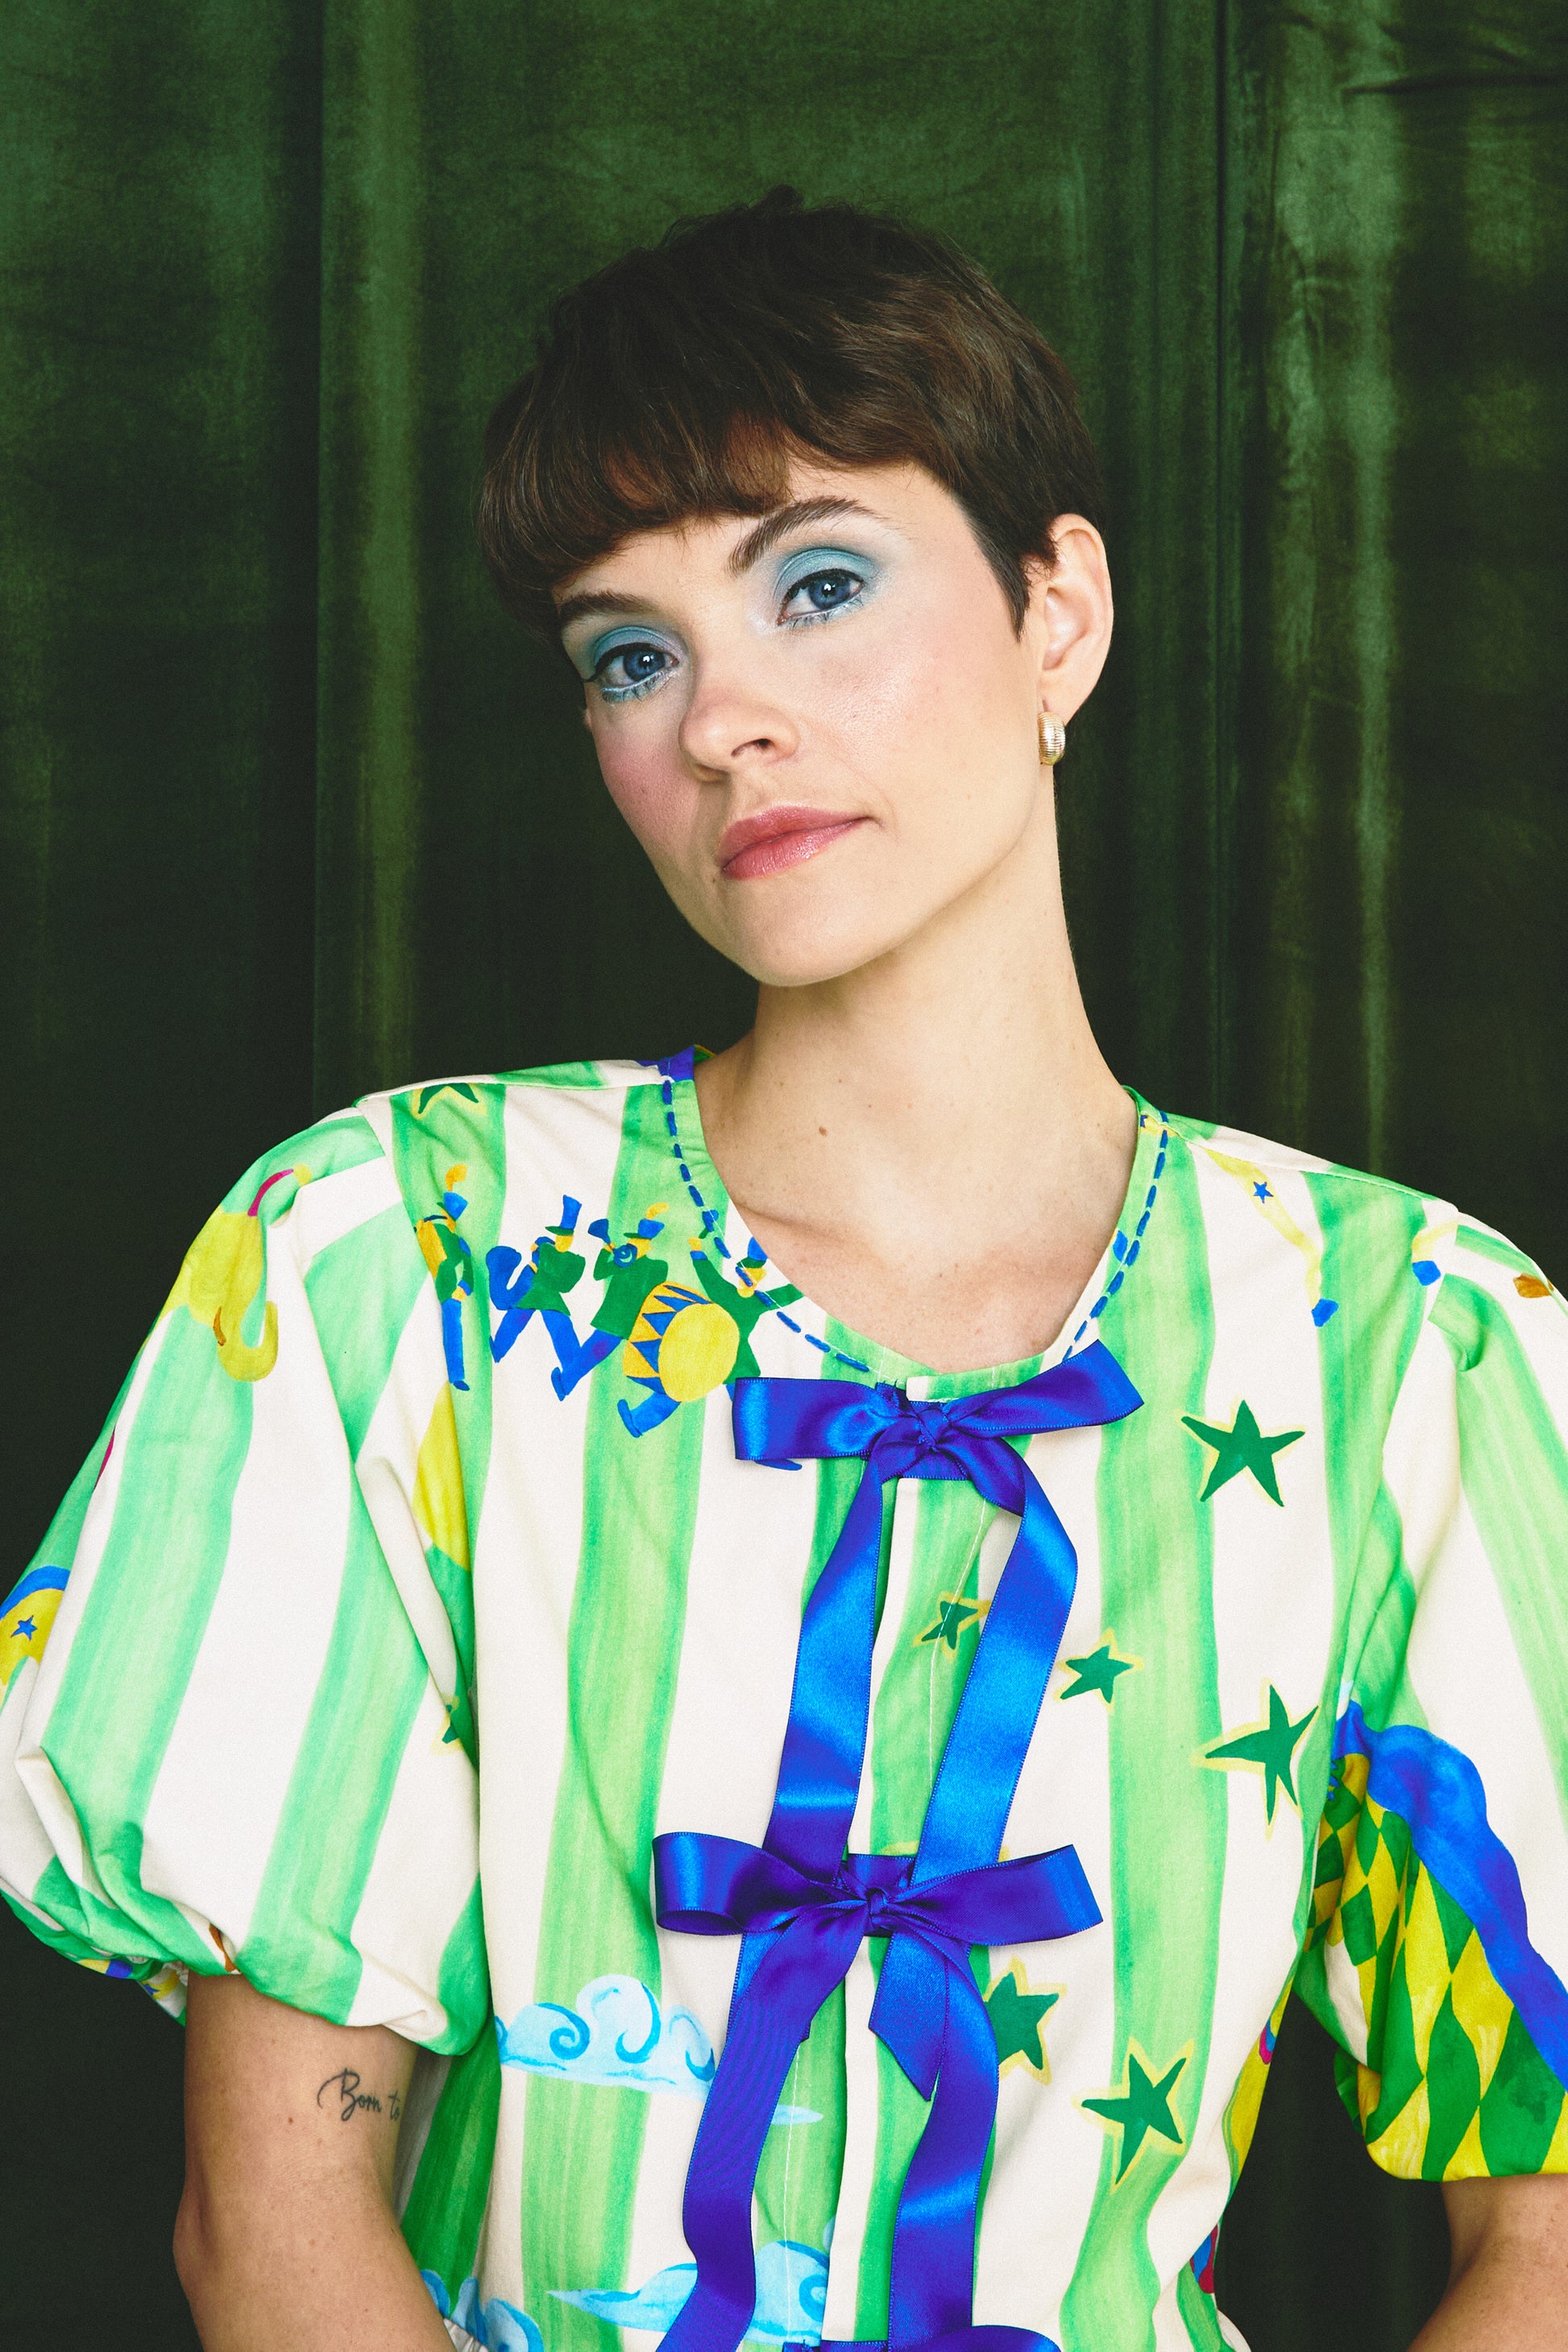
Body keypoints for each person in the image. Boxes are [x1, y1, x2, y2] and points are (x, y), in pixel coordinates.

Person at [2, 187, 1567, 2352]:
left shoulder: (1411, 1337)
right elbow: (268, 2223)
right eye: (629, 657)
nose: (719, 721)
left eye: (817, 585)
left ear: (1058, 615)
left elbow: (1549, 2247)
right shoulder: (400, 1252)